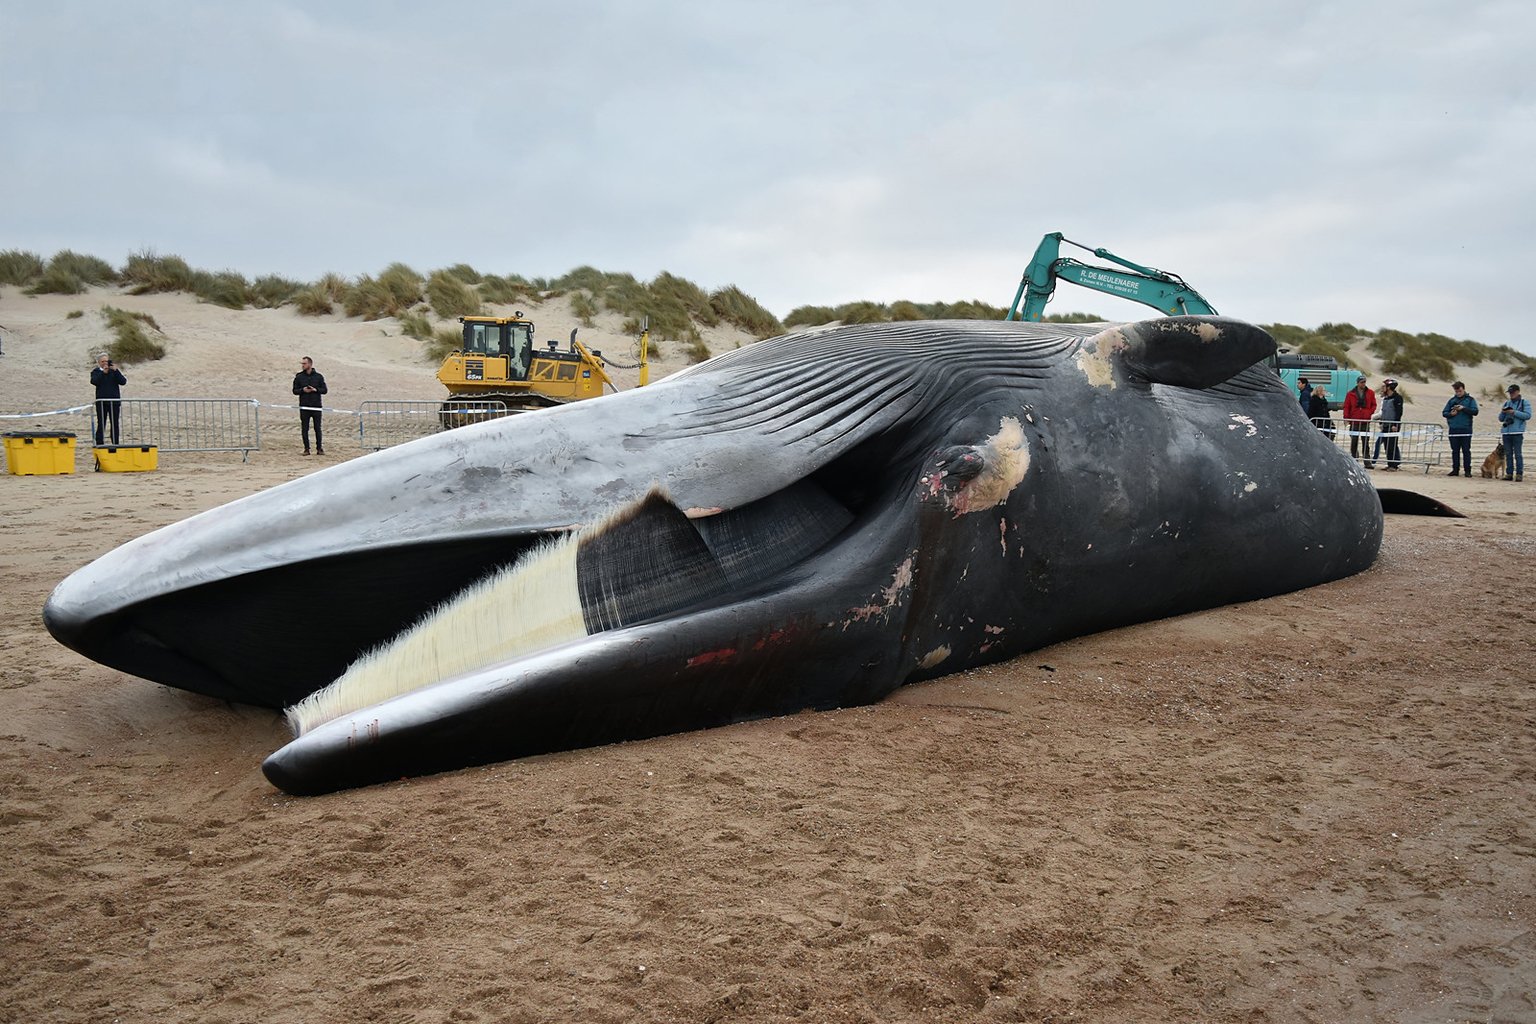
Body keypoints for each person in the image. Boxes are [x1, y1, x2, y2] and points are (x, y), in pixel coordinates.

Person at [292, 356, 328, 455]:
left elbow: (324, 390)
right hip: (304, 406)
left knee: (317, 428)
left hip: (316, 406)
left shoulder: (319, 376)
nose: (303, 365)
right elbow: (294, 390)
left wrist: (315, 390)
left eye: (304, 363)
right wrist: (303, 390)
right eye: (302, 364)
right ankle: (306, 448)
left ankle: (319, 448)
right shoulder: (299, 376)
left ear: (310, 364)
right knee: (305, 428)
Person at [1441, 381, 1478, 476]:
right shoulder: (1452, 400)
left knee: (1466, 450)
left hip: (1466, 428)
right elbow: (1444, 413)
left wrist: (1463, 408)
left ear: (1463, 389)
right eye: (1456, 391)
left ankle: (1467, 471)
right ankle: (1455, 469)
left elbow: (1475, 411)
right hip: (1453, 428)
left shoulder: (1470, 400)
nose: (1458, 393)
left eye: (1460, 391)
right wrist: (1451, 414)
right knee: (1455, 451)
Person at [90, 352, 127, 446]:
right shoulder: (96, 372)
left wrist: (116, 370)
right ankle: (100, 443)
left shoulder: (113, 372)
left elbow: (123, 381)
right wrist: (103, 373)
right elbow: (94, 381)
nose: (105, 363)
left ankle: (115, 443)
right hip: (101, 402)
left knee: (115, 424)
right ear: (99, 362)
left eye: (106, 361)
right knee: (101, 423)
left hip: (114, 402)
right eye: (102, 361)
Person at [1498, 383, 1530, 482]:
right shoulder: (1507, 403)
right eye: (1510, 393)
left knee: (1518, 454)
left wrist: (1514, 412)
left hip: (1517, 432)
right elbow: (1500, 418)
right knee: (1508, 454)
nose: (1511, 394)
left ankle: (1519, 473)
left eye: (1513, 392)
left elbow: (1528, 415)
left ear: (1518, 392)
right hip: (1506, 432)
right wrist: (1503, 412)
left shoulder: (1524, 402)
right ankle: (1509, 473)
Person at [1369, 378, 1403, 470]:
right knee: (1387, 446)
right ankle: (1390, 464)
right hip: (1385, 425)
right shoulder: (1386, 398)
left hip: (1393, 425)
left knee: (1392, 445)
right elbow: (1384, 412)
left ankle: (1394, 465)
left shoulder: (1397, 398)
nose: (1383, 387)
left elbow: (1398, 413)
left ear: (1389, 387)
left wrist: (1395, 425)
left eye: (1385, 386)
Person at [1342, 374, 1377, 462]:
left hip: (1365, 420)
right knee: (1354, 441)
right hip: (1354, 420)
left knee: (1366, 442)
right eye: (1361, 382)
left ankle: (1367, 461)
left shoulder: (1370, 393)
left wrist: (1369, 412)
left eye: (1364, 382)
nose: (1363, 384)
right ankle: (1354, 460)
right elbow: (1346, 406)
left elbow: (1374, 404)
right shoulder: (1350, 394)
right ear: (1358, 383)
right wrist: (1346, 417)